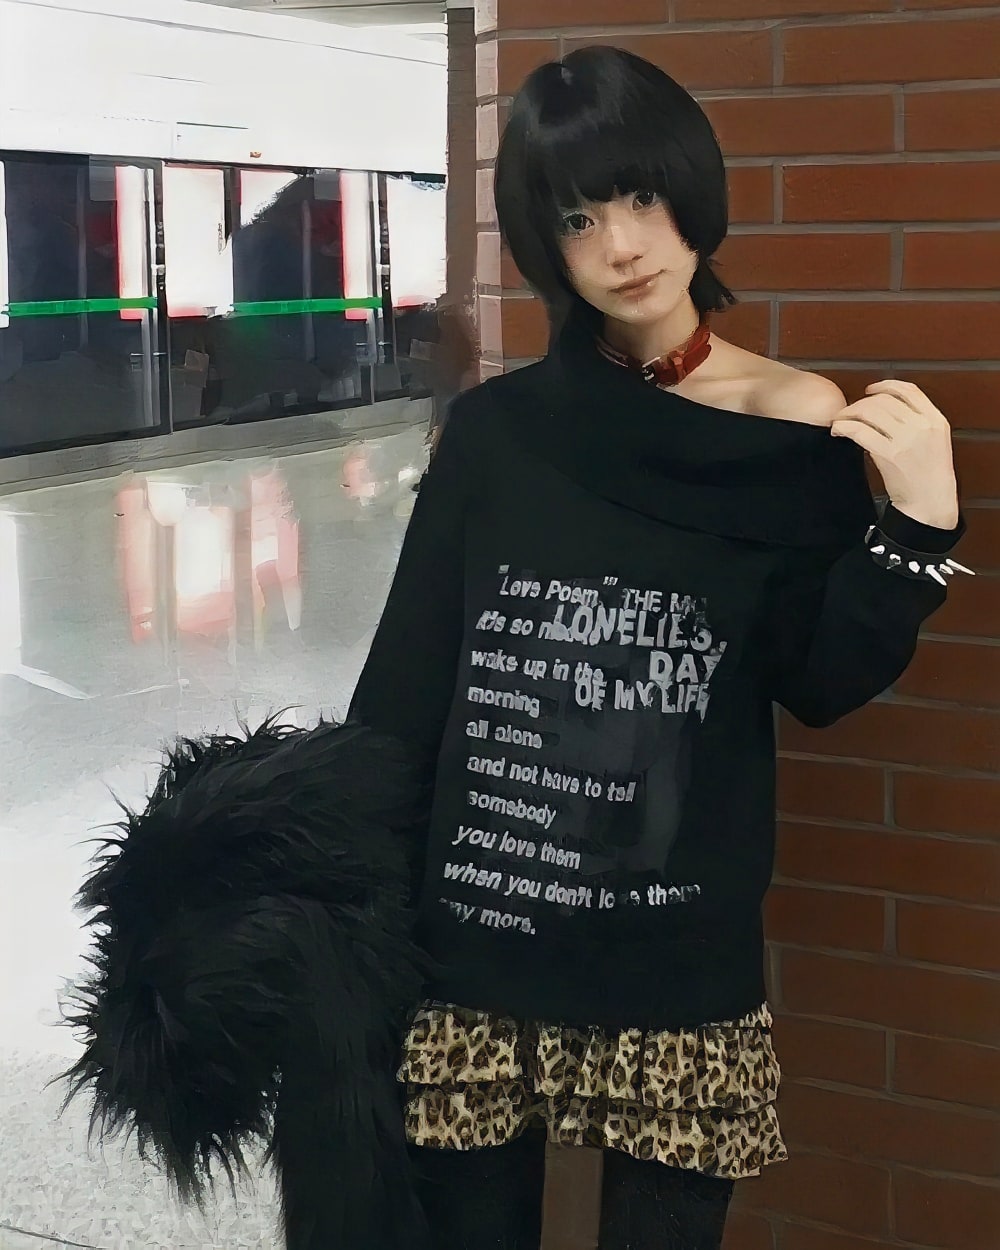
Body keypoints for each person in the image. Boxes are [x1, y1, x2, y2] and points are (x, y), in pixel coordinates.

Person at [345, 45, 970, 1250]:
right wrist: (339, 912)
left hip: (676, 956)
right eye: (578, 218)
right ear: (546, 244)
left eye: (640, 196)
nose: (623, 245)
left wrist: (916, 530)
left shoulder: (794, 423)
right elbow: (407, 689)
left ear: (691, 189)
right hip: (476, 946)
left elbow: (817, 679)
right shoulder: (499, 433)